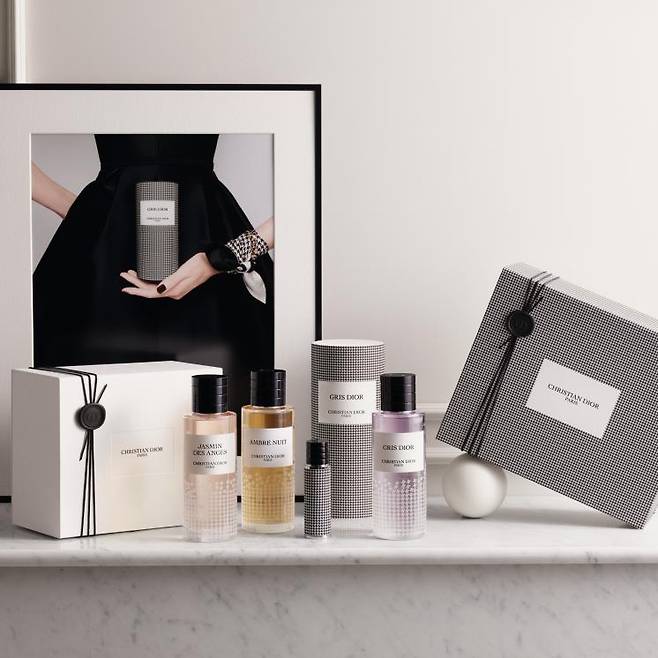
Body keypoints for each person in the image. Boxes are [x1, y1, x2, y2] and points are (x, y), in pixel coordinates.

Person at [32, 134, 274, 411]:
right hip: (148, 234)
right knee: (88, 405)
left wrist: (226, 256)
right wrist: (81, 212)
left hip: (201, 238)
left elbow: (305, 182)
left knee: (216, 410)